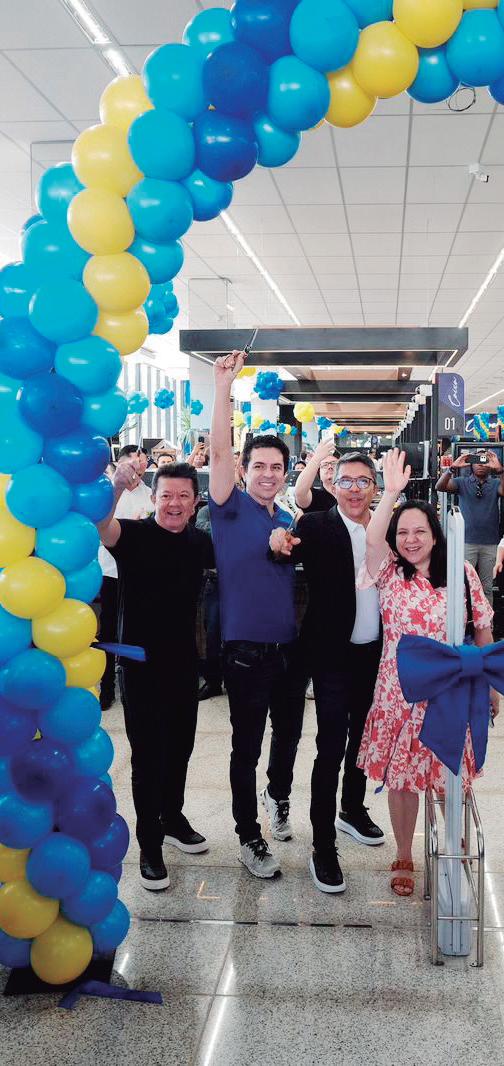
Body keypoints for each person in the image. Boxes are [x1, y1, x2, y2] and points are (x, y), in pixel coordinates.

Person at [358, 449, 497, 898]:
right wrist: (390, 494)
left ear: (436, 535)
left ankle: (455, 842)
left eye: (420, 531)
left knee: (450, 773)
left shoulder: (460, 573)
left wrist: (491, 689)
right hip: (398, 691)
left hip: (451, 691)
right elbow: (372, 539)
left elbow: (483, 627)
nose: (411, 540)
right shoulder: (387, 573)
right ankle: (403, 853)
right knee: (401, 779)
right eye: (403, 532)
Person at [209, 349, 306, 879]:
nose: (268, 474)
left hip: (288, 648)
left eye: (276, 467)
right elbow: (220, 450)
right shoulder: (229, 507)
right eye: (259, 466)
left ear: (286, 473)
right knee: (245, 746)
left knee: (288, 736)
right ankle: (249, 835)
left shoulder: (285, 517)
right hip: (245, 651)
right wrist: (224, 385)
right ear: (245, 471)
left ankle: (277, 798)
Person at [270, 452, 385, 895]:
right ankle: (323, 845)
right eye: (346, 481)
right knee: (331, 745)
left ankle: (352, 808)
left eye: (363, 481)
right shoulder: (317, 525)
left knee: (364, 740)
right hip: (331, 656)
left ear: (375, 487)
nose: (354, 489)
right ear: (333, 485)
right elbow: (283, 551)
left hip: (375, 655)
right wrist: (278, 541)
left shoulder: (387, 527)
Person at [99, 461, 214, 891]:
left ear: (195, 501)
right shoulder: (134, 535)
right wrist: (115, 485)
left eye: (183, 495)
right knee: (148, 758)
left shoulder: (199, 541)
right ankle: (149, 844)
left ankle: (172, 818)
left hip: (183, 662)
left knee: (180, 749)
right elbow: (101, 526)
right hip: (139, 664)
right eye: (166, 495)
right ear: (153, 498)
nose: (174, 503)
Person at [98, 446, 154, 711]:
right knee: (108, 630)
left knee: (140, 630)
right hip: (110, 572)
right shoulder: (107, 493)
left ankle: (141, 684)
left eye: (141, 461)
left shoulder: (151, 494)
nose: (137, 466)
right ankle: (107, 686)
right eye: (131, 462)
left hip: (141, 574)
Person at [435, 449, 504, 603]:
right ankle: (463, 617)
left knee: (487, 587)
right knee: (463, 585)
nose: (480, 464)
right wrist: (452, 468)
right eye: (476, 460)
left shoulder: (495, 484)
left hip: (490, 543)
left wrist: (499, 469)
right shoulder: (462, 482)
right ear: (471, 464)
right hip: (466, 542)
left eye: (484, 460)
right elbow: (439, 486)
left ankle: (486, 619)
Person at [295, 438, 340, 513]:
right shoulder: (315, 496)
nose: (330, 467)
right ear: (319, 473)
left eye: (334, 463)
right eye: (325, 465)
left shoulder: (348, 493)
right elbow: (299, 493)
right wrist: (316, 458)